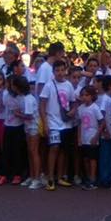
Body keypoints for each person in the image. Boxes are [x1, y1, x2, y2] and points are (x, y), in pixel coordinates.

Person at [40, 59, 76, 191]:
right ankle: (50, 177)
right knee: (54, 148)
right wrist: (45, 123)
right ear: (53, 72)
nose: (60, 73)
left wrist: (72, 111)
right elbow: (42, 105)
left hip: (65, 123)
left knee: (63, 150)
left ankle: (60, 176)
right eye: (57, 70)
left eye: (62, 70)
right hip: (53, 122)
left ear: (65, 70)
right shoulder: (49, 85)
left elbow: (73, 102)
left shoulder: (69, 85)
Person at [76, 86, 103, 190]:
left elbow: (101, 123)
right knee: (85, 158)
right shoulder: (80, 108)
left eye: (87, 95)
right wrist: (79, 138)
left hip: (92, 138)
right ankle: (87, 177)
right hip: (84, 138)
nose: (84, 97)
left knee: (93, 159)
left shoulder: (95, 108)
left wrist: (96, 136)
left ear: (92, 96)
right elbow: (79, 124)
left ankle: (93, 178)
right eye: (82, 95)